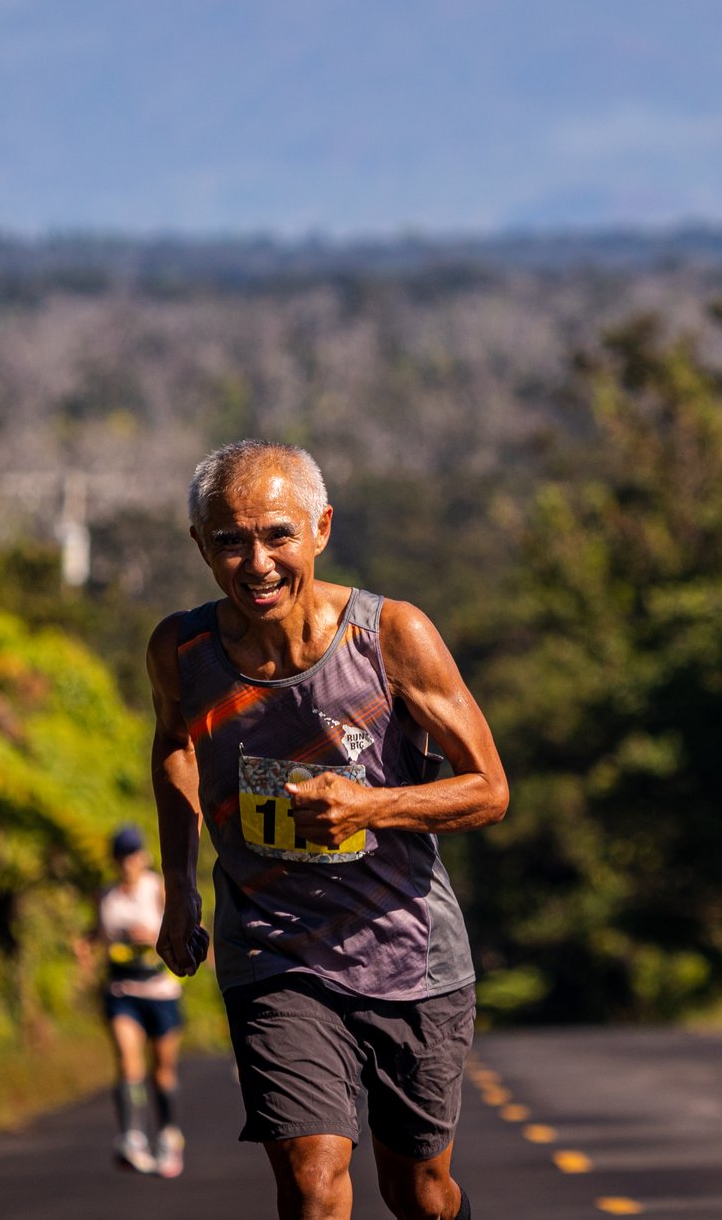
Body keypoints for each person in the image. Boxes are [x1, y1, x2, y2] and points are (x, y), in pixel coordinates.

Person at [149, 440, 508, 1220]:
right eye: (230, 541)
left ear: (321, 528)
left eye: (278, 534)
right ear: (201, 548)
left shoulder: (389, 637)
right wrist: (180, 885)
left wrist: (370, 805)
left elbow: (489, 788)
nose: (257, 563)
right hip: (273, 950)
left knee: (419, 1192)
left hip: (407, 952)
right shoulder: (184, 651)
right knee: (312, 1186)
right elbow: (174, 745)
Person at [86, 824, 188, 1176]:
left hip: (159, 990)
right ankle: (131, 1137)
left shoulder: (156, 889)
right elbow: (95, 932)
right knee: (129, 1062)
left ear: (142, 856)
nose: (129, 862)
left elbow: (183, 924)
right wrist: (85, 946)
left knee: (162, 1072)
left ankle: (167, 1136)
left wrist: (153, 935)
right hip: (122, 990)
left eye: (133, 855)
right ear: (115, 861)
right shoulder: (106, 896)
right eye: (122, 856)